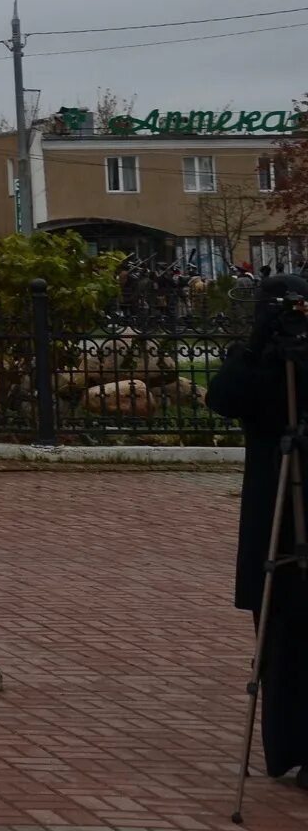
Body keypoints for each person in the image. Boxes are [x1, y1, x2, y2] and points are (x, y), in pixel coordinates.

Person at [206, 275, 308, 785]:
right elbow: (221, 399)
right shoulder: (253, 362)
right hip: (273, 514)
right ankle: (288, 747)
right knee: (279, 636)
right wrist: (255, 345)